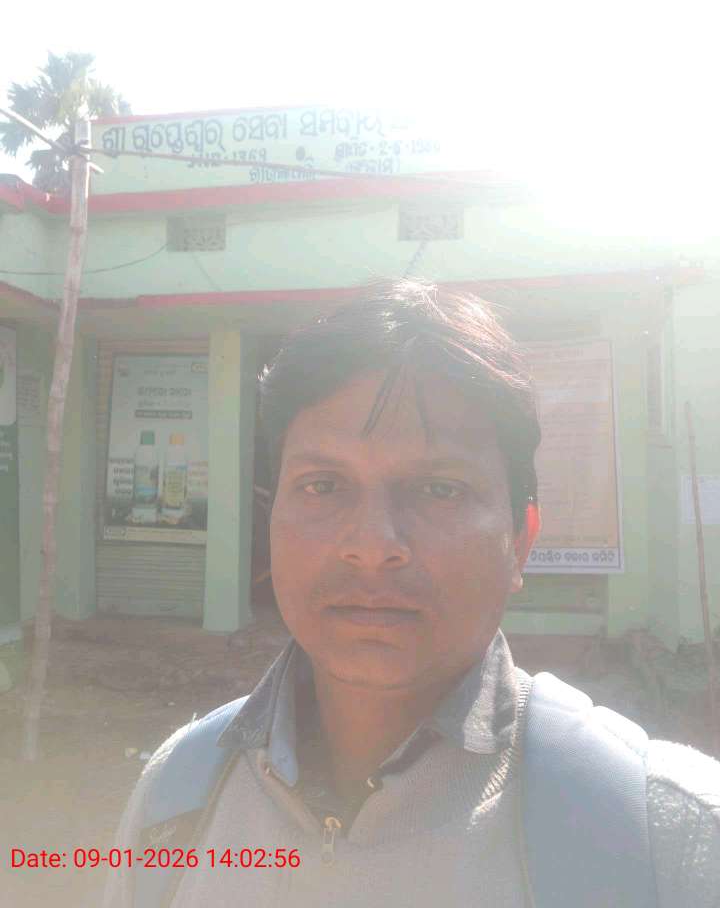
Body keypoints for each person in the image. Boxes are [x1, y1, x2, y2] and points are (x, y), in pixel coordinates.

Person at [103, 279, 720, 908]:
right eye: (323, 485)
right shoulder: (178, 798)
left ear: (520, 541)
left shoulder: (673, 842)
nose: (373, 545)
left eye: (439, 489)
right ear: (271, 519)